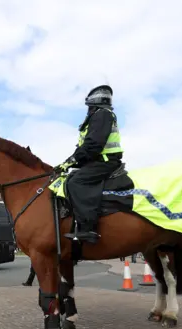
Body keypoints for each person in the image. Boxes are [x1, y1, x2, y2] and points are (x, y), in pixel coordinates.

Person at [54, 85, 124, 243]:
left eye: (89, 107)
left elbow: (93, 145)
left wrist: (71, 161)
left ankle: (88, 228)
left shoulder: (102, 114)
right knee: (71, 178)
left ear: (92, 103)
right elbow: (86, 148)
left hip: (105, 162)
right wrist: (70, 162)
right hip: (98, 160)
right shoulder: (101, 114)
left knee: (76, 182)